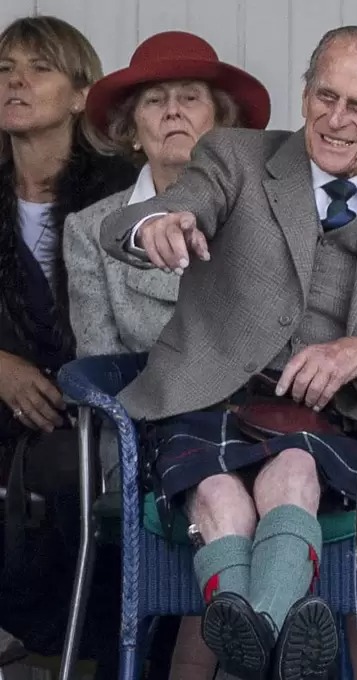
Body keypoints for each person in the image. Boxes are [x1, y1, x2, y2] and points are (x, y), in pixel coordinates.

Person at [99, 25, 357, 680]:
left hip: (324, 417)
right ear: (305, 94)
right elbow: (172, 207)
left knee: (297, 477)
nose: (335, 120)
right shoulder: (236, 157)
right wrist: (162, 221)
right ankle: (274, 628)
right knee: (220, 494)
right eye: (325, 96)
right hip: (207, 395)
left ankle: (248, 627)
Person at [64, 31, 271, 680]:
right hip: (148, 432)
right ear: (132, 131)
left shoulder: (266, 219)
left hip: (257, 419)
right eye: (155, 102)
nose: (173, 111)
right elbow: (103, 362)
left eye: (190, 98)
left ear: (222, 125)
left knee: (285, 470)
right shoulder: (88, 230)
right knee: (223, 480)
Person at [0, 14, 136, 670]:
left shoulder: (120, 191)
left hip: (92, 405)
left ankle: (83, 636)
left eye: (39, 68)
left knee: (67, 468)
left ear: (82, 94)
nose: (16, 82)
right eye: (4, 70)